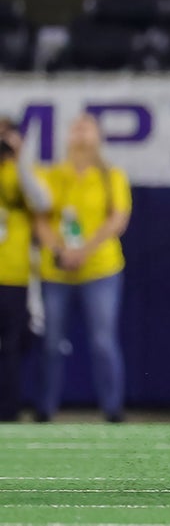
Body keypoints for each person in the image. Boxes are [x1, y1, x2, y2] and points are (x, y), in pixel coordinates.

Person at [37, 114, 133, 423]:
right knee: (51, 342)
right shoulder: (53, 175)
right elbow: (40, 218)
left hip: (100, 269)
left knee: (103, 341)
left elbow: (117, 219)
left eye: (86, 127)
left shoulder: (111, 176)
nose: (80, 133)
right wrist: (59, 250)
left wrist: (83, 250)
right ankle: (45, 409)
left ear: (98, 136)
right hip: (57, 271)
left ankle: (112, 409)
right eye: (75, 127)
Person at [0, 117, 52, 422]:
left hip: (15, 277)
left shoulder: (24, 173)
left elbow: (42, 200)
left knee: (11, 350)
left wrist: (20, 160)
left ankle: (7, 413)